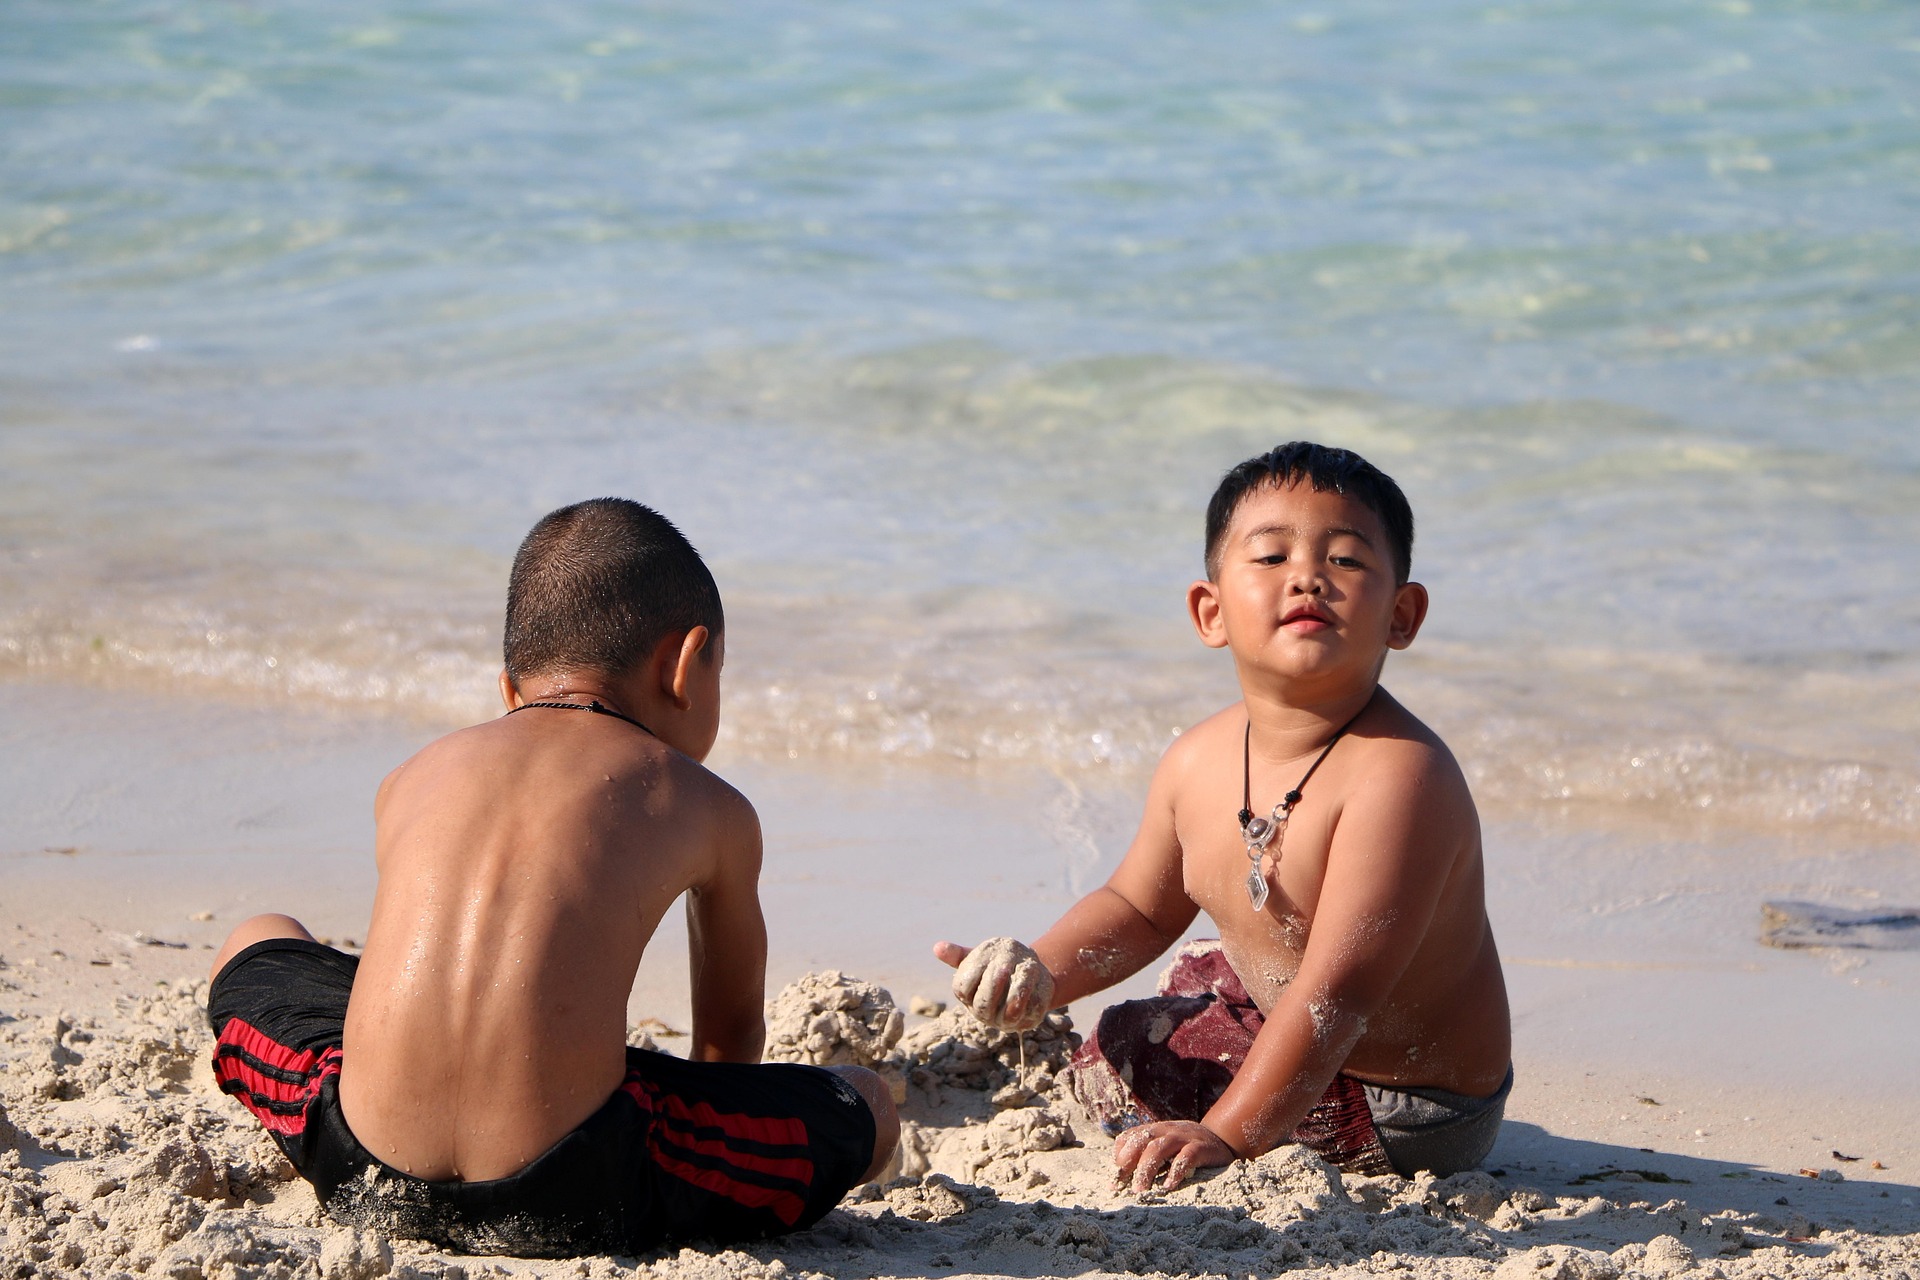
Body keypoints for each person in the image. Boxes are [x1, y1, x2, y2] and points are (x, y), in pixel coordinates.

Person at [205, 498, 899, 1257]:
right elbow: (729, 1046)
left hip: (362, 1163)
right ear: (685, 664)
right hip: (573, 1181)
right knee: (864, 1105)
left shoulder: (413, 774)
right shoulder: (709, 806)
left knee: (259, 936)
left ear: (510, 687)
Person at [935, 442, 1510, 1192]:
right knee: (1201, 955)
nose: (1306, 576)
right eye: (1270, 557)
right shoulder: (1198, 758)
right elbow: (1138, 909)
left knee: (1118, 1051)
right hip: (1312, 1022)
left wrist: (1226, 1137)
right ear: (1210, 612)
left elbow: (1335, 996)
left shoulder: (1402, 777)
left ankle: (1240, 1098)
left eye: (1345, 560)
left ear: (1402, 614)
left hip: (1410, 1104)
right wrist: (1040, 973)